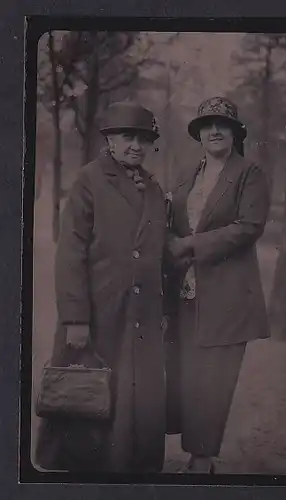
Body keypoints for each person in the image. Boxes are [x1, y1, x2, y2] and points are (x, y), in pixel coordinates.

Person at [35, 101, 167, 473]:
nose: (136, 146)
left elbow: (158, 249)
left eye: (144, 139)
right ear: (109, 139)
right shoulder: (89, 179)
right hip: (98, 310)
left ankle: (127, 466)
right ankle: (79, 472)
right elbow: (70, 253)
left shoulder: (155, 189)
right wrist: (76, 317)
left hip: (140, 313)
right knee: (86, 391)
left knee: (133, 397)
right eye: (128, 137)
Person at [165, 96, 271, 473]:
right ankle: (197, 454)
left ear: (234, 133)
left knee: (215, 377)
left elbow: (248, 227)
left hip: (227, 296)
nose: (214, 131)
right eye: (207, 126)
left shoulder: (249, 173)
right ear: (198, 134)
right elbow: (172, 221)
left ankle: (203, 458)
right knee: (190, 374)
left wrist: (189, 244)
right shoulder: (190, 176)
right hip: (188, 295)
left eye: (222, 125)